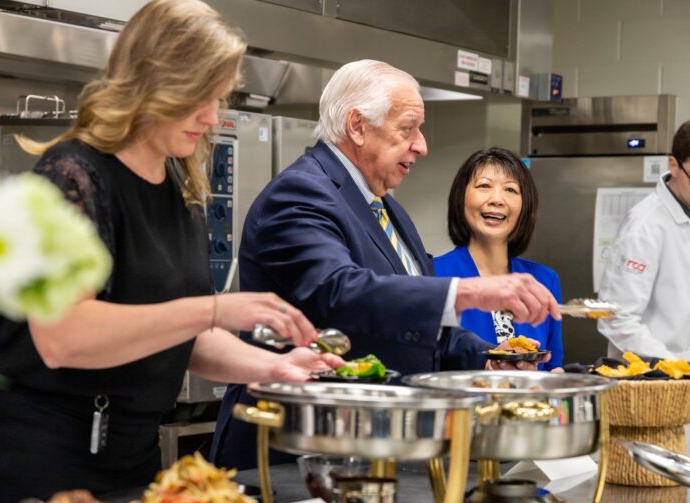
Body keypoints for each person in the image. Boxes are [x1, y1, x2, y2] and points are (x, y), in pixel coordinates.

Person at [0, 0, 344, 503]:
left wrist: (275, 368)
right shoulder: (74, 176)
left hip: (127, 462)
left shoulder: (181, 186)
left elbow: (185, 337)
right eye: (198, 98)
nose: (210, 117)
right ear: (150, 82)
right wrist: (216, 309)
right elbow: (63, 336)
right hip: (35, 464)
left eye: (218, 98)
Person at [211, 59, 561, 470]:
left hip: (368, 452)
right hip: (296, 453)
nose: (422, 145)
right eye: (408, 128)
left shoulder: (388, 209)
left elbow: (417, 329)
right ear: (357, 126)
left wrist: (488, 360)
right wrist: (470, 291)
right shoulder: (300, 194)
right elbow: (339, 292)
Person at [598, 116, 690, 367]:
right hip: (660, 378)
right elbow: (616, 318)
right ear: (674, 165)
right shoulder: (644, 226)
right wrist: (677, 366)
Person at [433, 148, 563, 371]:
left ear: (525, 207)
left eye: (511, 189)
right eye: (484, 186)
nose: (496, 199)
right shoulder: (432, 275)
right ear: (461, 197)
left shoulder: (544, 280)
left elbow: (553, 365)